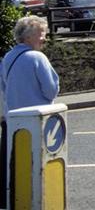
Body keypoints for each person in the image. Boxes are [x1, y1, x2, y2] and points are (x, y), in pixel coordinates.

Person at [0, 16, 59, 198]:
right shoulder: (38, 57)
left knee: (16, 165)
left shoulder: (8, 57)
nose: (44, 38)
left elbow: (3, 87)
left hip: (14, 121)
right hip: (37, 119)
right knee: (38, 165)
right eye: (41, 34)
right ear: (28, 37)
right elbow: (51, 90)